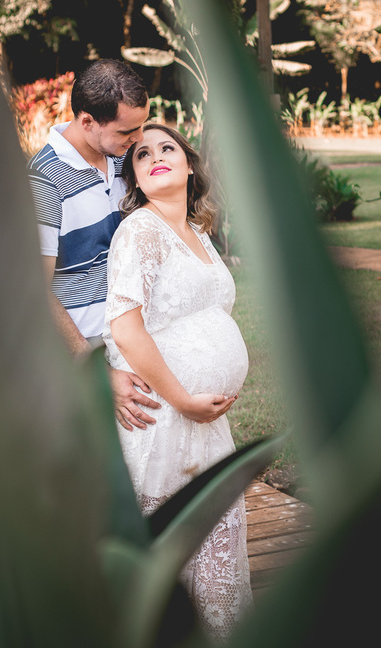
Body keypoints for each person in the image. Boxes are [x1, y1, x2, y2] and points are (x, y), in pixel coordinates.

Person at [104, 123, 251, 640]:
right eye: (142, 154)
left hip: (202, 419)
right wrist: (184, 398)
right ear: (137, 179)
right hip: (164, 415)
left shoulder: (199, 234)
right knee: (175, 547)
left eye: (169, 148)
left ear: (190, 166)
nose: (156, 156)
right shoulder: (139, 230)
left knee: (214, 537)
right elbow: (125, 325)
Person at [26, 58, 161, 430]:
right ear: (87, 121)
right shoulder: (44, 183)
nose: (138, 139)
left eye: (142, 127)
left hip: (135, 347)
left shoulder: (122, 161)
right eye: (127, 131)